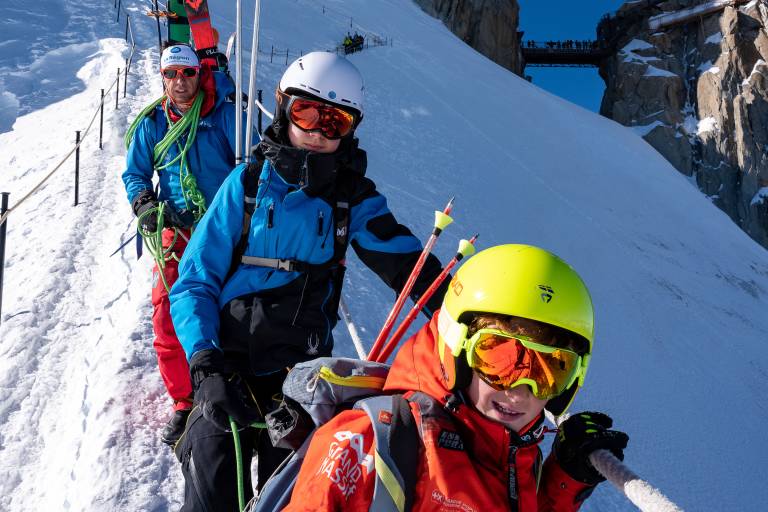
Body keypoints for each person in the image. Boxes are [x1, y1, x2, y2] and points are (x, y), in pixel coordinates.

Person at [169, 51, 446, 510]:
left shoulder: (352, 198)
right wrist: (204, 363)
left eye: (334, 121)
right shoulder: (247, 184)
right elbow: (195, 281)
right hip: (228, 366)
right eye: (307, 112)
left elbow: (404, 263)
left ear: (351, 128)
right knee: (212, 487)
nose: (318, 130)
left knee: (302, 498)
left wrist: (461, 306)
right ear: (282, 106)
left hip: (304, 382)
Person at [282, 244, 629, 511]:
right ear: (456, 347)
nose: (521, 391)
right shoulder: (369, 443)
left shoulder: (517, 456)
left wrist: (566, 477)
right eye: (502, 359)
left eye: (550, 370)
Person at [122, 43, 245, 446]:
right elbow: (136, 173)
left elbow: (251, 166)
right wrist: (145, 204)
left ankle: (231, 380)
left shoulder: (225, 116)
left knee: (234, 306)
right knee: (167, 311)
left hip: (224, 227)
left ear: (199, 73)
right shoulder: (153, 122)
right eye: (171, 74)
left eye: (186, 73)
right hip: (177, 230)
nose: (179, 82)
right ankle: (184, 399)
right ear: (162, 77)